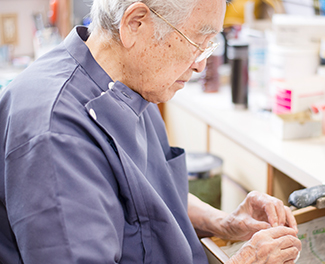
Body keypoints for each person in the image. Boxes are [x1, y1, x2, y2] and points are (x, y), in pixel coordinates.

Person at [0, 0, 302, 263]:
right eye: (199, 42)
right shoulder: (55, 134)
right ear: (136, 24)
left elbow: (147, 199)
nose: (201, 65)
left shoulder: (134, 83)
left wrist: (223, 221)